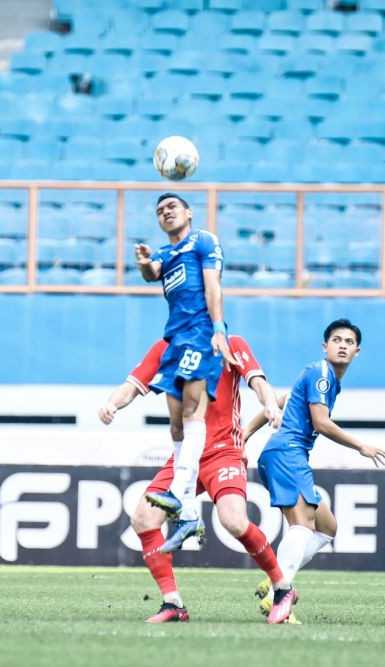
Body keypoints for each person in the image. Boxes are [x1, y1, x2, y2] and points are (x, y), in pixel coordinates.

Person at [98, 334, 283, 623]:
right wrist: (111, 404)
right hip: (185, 456)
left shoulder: (231, 343)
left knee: (233, 521)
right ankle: (173, 603)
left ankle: (282, 586)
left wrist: (270, 403)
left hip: (224, 450)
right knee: (143, 519)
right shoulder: (166, 347)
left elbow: (258, 382)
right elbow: (132, 386)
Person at [243, 318, 385, 624]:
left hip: (282, 454)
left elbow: (279, 402)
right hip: (287, 453)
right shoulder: (321, 372)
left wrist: (245, 434)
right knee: (303, 525)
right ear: (325, 346)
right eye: (336, 340)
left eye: (349, 342)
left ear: (357, 351)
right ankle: (280, 596)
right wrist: (361, 446)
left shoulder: (324, 378)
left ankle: (275, 581)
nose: (342, 345)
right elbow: (321, 423)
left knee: (327, 528)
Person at [134, 193, 248, 549]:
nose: (165, 213)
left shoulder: (203, 240)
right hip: (175, 338)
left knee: (191, 410)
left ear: (188, 212)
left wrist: (218, 329)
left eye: (171, 207)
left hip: (200, 331)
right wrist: (143, 262)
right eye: (159, 211)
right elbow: (153, 274)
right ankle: (187, 514)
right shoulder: (166, 255)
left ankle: (179, 494)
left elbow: (214, 286)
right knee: (176, 423)